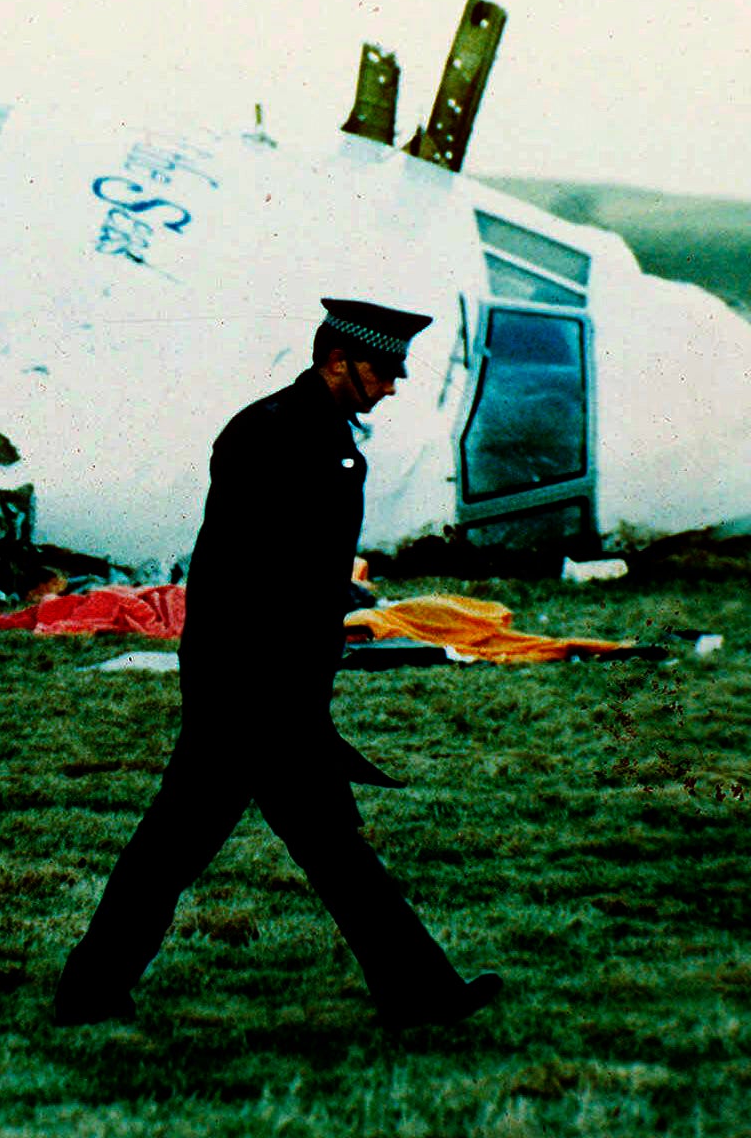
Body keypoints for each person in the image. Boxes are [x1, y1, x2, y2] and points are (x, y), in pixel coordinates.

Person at [53, 298, 503, 1031]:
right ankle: (420, 994)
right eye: (383, 370)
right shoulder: (275, 434)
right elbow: (252, 571)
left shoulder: (312, 433)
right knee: (240, 845)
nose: (391, 386)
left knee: (275, 844)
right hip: (251, 685)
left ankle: (418, 992)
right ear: (336, 361)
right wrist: (290, 676)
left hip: (269, 683)